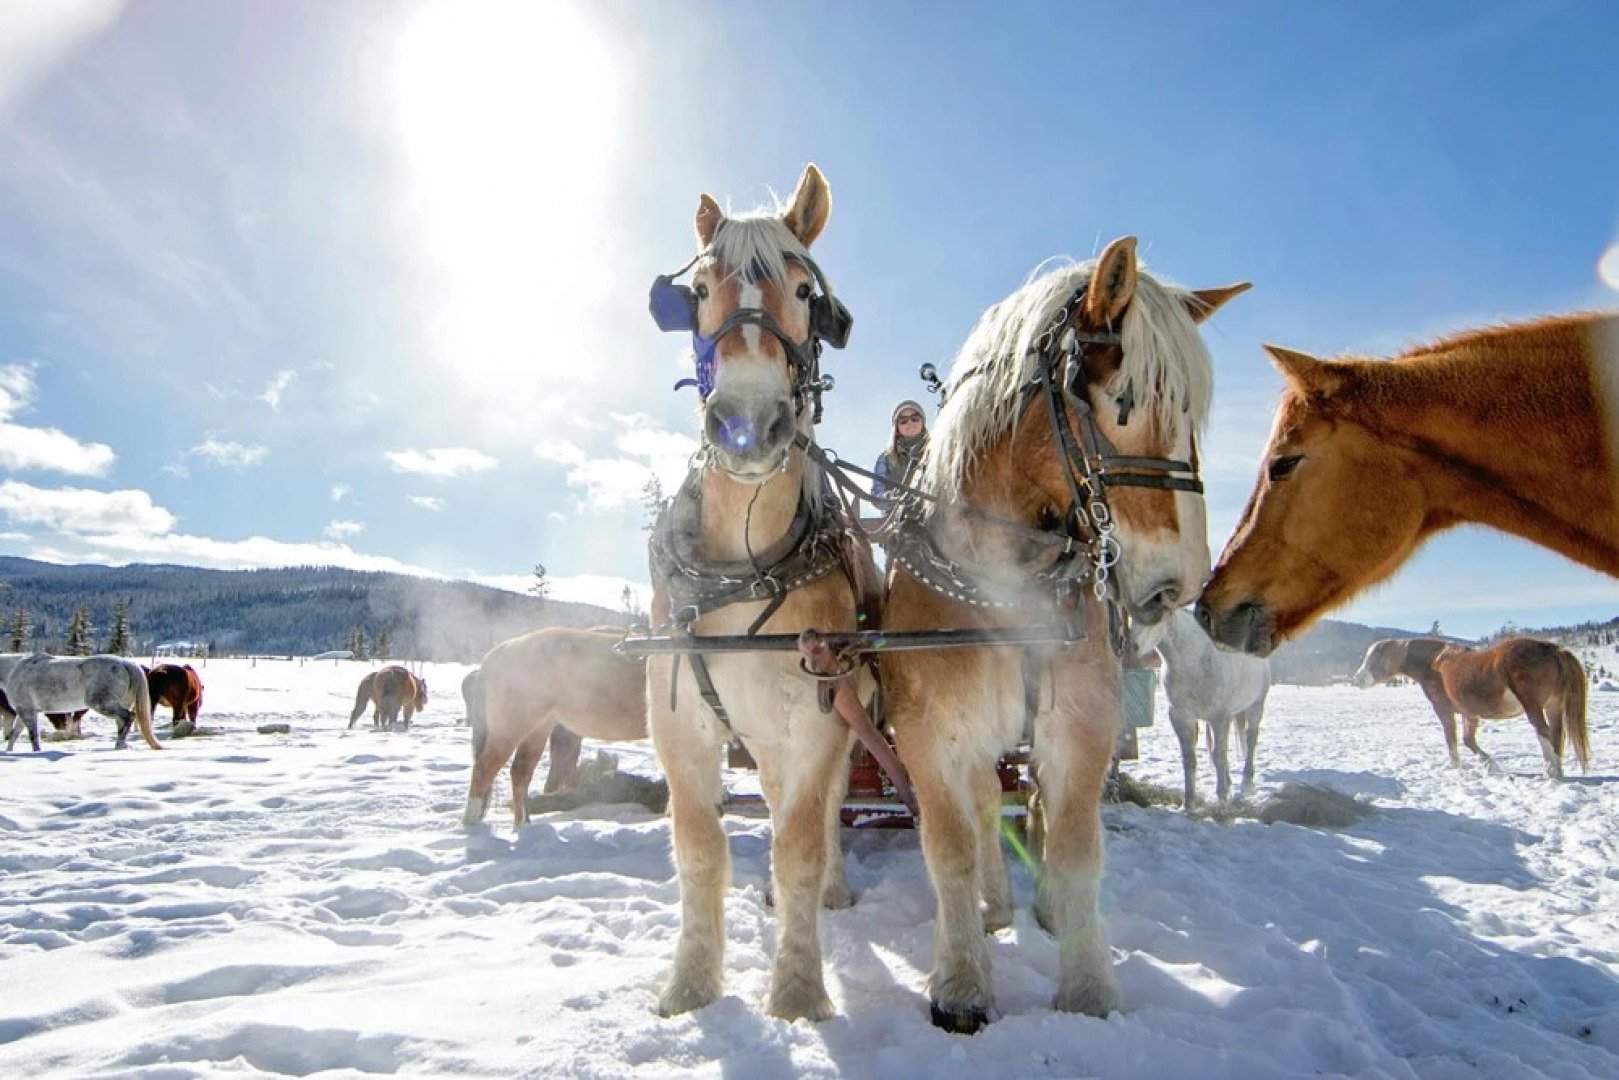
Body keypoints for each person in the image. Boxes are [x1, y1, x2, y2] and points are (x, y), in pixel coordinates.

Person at [872, 399, 928, 506]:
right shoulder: (886, 458)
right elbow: (876, 496)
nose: (910, 423)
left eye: (915, 419)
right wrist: (892, 498)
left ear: (922, 422)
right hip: (898, 519)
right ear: (897, 427)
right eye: (903, 421)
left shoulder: (937, 454)